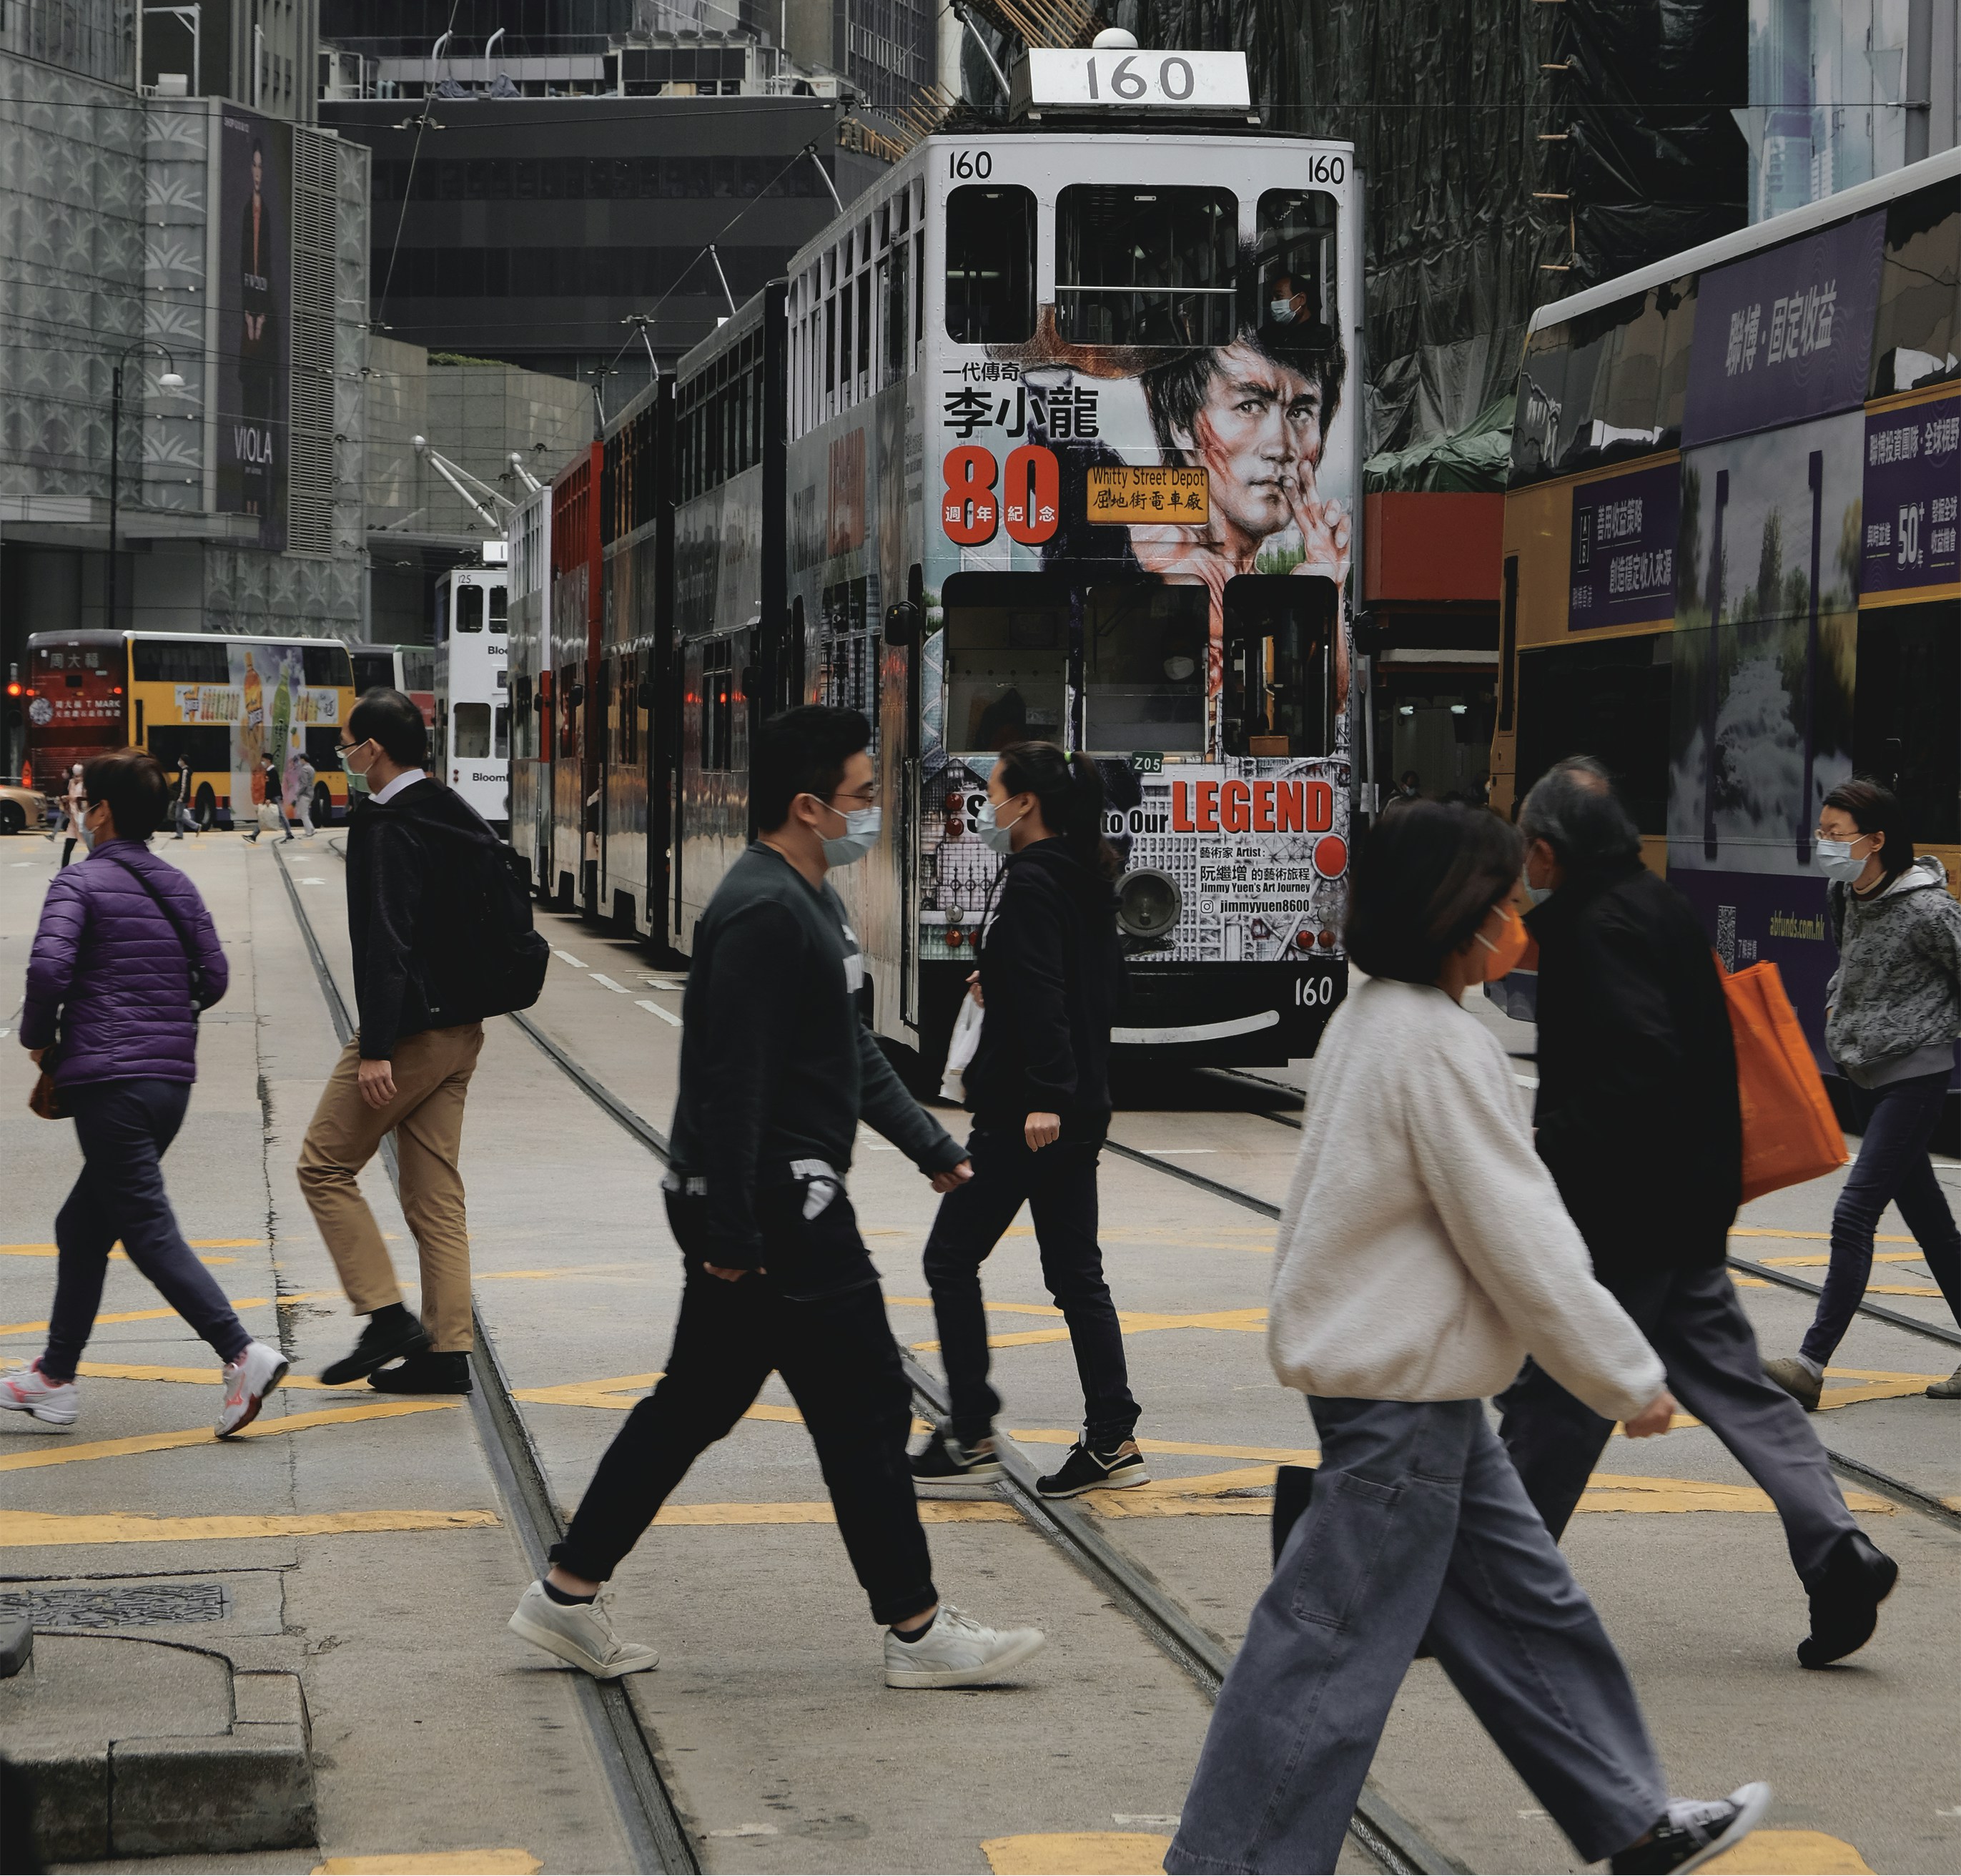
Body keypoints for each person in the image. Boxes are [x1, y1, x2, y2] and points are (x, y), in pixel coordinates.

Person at [1164, 798, 1768, 1876]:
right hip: (1399, 1398)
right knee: (1323, 1649)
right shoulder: (1436, 1043)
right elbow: (1519, 1236)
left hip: (1417, 1385)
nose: (1517, 916)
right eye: (1500, 899)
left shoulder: (1369, 1016)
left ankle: (1629, 1815)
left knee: (1528, 1605)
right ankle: (1238, 1859)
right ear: (1454, 914)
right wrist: (1624, 1375)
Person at [507, 706, 1046, 1692]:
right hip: (772, 1199)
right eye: (860, 796)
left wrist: (931, 1145)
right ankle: (918, 1629)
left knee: (695, 1403)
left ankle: (566, 1589)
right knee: (866, 1402)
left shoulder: (812, 896)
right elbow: (733, 1078)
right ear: (805, 805)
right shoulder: (762, 908)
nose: (873, 811)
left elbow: (844, 1049)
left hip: (762, 1196)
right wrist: (730, 1227)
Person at [1497, 759, 1896, 1672]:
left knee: (1559, 1397)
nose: (1524, 864)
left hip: (1625, 1212)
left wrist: (1545, 1144)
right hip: (1688, 1202)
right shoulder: (1658, 904)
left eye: (1528, 848)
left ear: (1551, 852)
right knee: (1739, 1387)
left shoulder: (1593, 929)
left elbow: (1638, 1063)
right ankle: (1839, 1552)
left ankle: (1496, 1589)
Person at [3, 749, 288, 1439]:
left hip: (109, 1083)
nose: (74, 804)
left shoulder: (80, 882)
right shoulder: (176, 883)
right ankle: (53, 1378)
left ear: (101, 812)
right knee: (82, 1225)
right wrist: (158, 1008)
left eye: (80, 796)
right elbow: (213, 978)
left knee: (147, 1229)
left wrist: (38, 1038)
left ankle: (240, 1352)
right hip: (169, 1086)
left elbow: (48, 970)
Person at [912, 740, 1144, 1498]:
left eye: (995, 789)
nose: (986, 803)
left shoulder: (1036, 880)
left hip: (1028, 1114)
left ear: (1026, 803)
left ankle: (972, 1426)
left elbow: (1051, 994)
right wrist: (1001, 975)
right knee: (1077, 1274)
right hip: (1072, 1107)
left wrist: (1046, 1092)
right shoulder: (1084, 874)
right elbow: (1085, 986)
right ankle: (1112, 1434)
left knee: (950, 1258)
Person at [298, 686, 501, 1398]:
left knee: (322, 1164)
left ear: (372, 750)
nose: (345, 757)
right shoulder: (458, 813)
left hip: (410, 1029)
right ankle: (447, 1352)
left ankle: (386, 1315)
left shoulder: (385, 824)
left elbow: (386, 939)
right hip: (463, 1029)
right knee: (434, 1189)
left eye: (348, 744)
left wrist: (378, 1044)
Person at [1759, 778, 1961, 1409]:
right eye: (1820, 831)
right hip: (1861, 1075)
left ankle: (1810, 1365)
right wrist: (1835, 1002)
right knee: (1930, 1222)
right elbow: (1847, 958)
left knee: (1853, 1214)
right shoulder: (1842, 892)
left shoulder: (1930, 910)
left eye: (1834, 833)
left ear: (1876, 840)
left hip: (1914, 1076)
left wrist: (1928, 1024)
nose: (1823, 842)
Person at [1134, 329, 1351, 706]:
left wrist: (1325, 591)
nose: (1282, 447)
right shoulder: (1175, 569)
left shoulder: (1243, 580)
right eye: (1249, 406)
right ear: (1181, 424)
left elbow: (1329, 716)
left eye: (1300, 412)